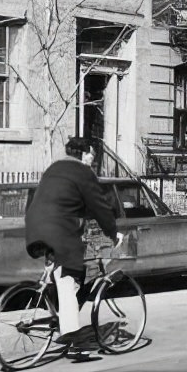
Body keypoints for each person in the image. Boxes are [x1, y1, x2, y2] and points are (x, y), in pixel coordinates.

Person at [25, 136, 123, 346]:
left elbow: (70, 201)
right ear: (83, 153)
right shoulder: (82, 172)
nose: (92, 160)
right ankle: (72, 337)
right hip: (58, 229)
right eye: (91, 155)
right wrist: (113, 233)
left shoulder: (54, 167)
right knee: (72, 275)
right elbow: (100, 207)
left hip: (35, 224)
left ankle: (57, 313)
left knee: (61, 272)